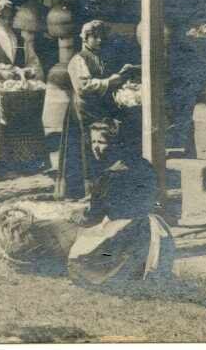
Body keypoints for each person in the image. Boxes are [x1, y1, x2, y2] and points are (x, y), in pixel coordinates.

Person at [67, 119, 174, 287]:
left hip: (125, 233)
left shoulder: (108, 176)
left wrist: (73, 215)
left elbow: (93, 217)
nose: (95, 147)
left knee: (76, 259)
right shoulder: (144, 165)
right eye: (93, 141)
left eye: (101, 142)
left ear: (116, 144)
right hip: (153, 229)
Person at [56, 20, 136, 200]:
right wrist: (109, 82)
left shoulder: (101, 57)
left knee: (102, 146)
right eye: (95, 37)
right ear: (85, 38)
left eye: (102, 37)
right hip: (83, 110)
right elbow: (83, 86)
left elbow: (103, 78)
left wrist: (120, 77)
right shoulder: (78, 60)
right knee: (85, 148)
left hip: (99, 108)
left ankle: (103, 189)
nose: (100, 40)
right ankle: (85, 191)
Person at [0, 0, 45, 182]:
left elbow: (33, 62)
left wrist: (30, 71)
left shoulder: (21, 41)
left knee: (19, 126)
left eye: (9, 16)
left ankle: (18, 165)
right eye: (2, 17)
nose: (7, 20)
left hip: (17, 91)